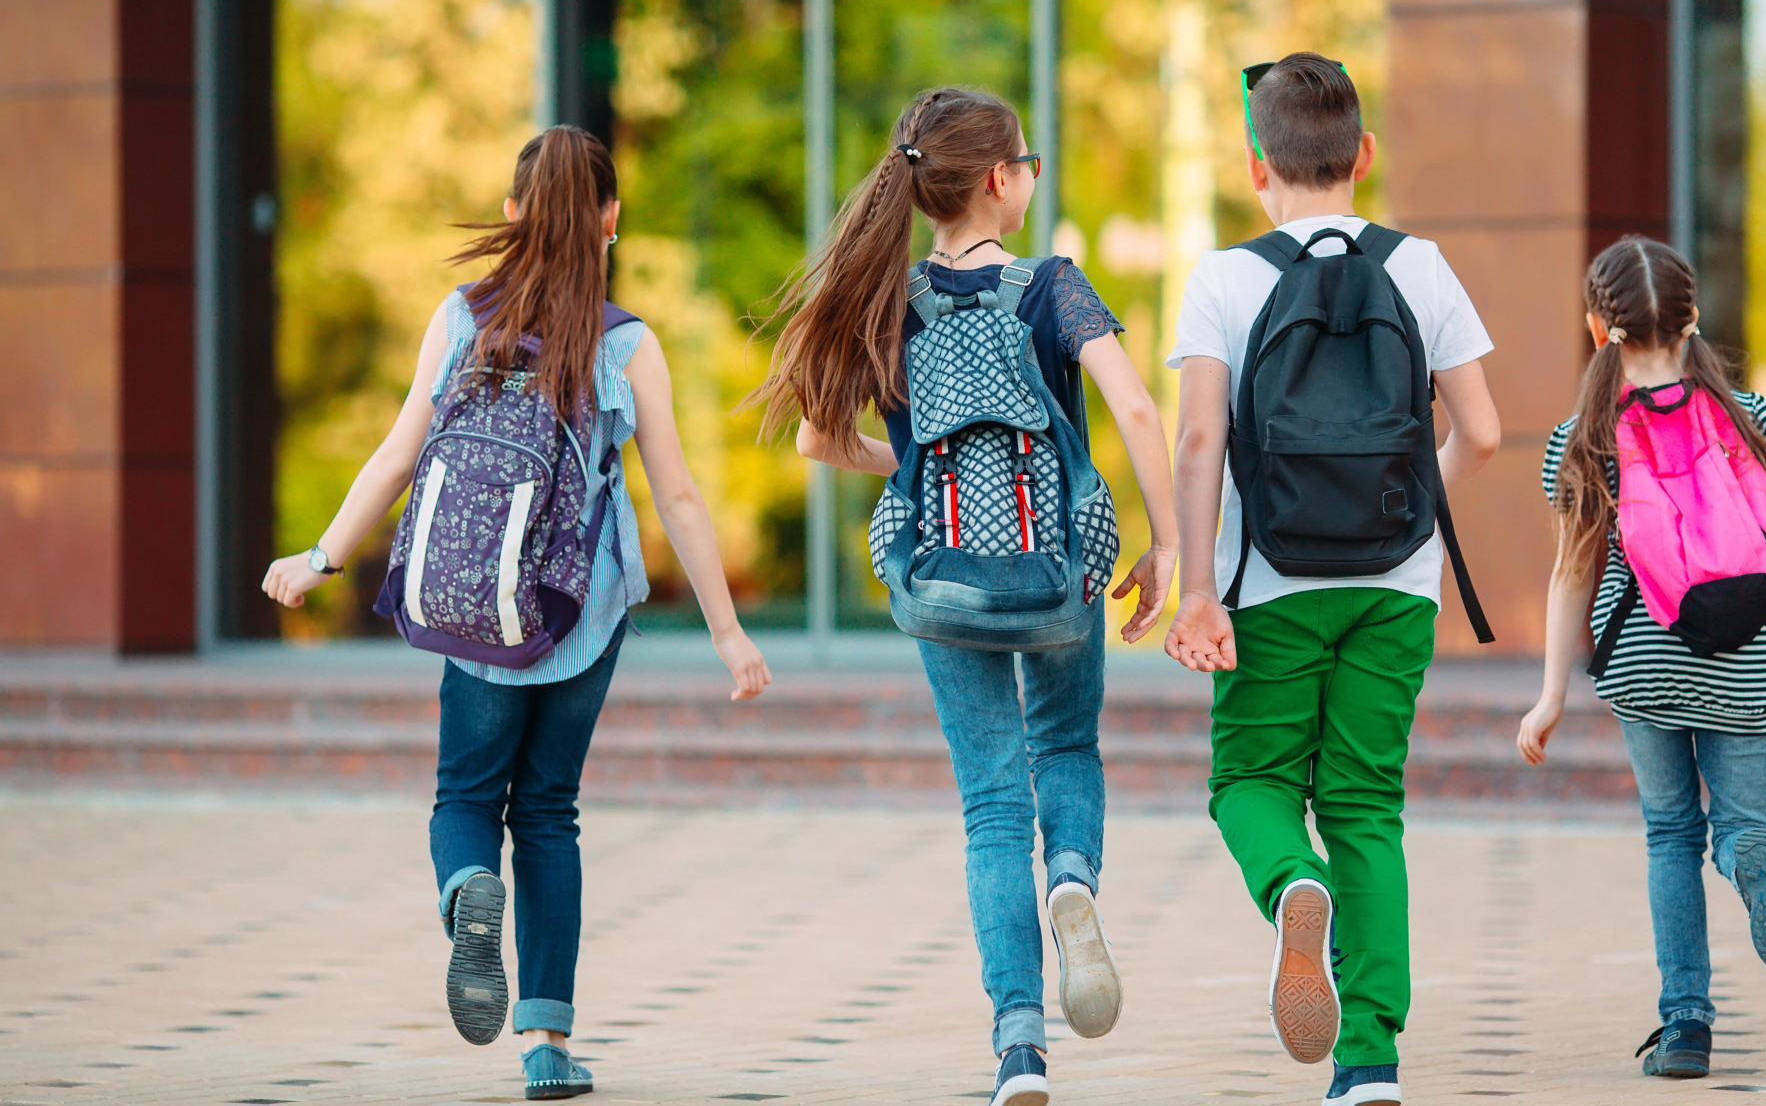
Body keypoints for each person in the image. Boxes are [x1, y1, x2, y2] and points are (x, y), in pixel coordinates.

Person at [262, 125, 771, 1101]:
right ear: (612, 221)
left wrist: (321, 554)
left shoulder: (461, 316)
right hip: (578, 616)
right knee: (548, 812)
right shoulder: (629, 343)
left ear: (509, 217)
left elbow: (398, 453)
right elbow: (680, 499)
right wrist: (726, 629)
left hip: (473, 609)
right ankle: (545, 1044)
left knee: (465, 799)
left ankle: (466, 893)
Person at [749, 86, 1178, 1106]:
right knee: (1065, 746)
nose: (1029, 177)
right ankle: (1071, 874)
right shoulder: (1051, 286)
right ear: (998, 179)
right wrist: (1166, 547)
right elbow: (1136, 405)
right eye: (1025, 163)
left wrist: (903, 466)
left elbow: (815, 438)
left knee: (991, 806)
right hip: (1057, 571)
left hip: (942, 578)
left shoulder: (884, 297)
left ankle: (1018, 1046)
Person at [1163, 53, 1501, 1106]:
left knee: (1250, 783)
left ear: (1254, 163)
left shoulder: (1225, 276)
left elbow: (1196, 442)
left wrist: (1198, 589)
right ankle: (1370, 1061)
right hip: (1397, 585)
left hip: (1267, 577)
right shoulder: (1424, 265)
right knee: (1365, 802)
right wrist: (1410, 513)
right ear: (1364, 156)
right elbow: (1484, 432)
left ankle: (1288, 882)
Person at [1518, 235, 1766, 1081]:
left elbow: (1572, 569)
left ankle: (1686, 1029)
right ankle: (1749, 856)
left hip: (1643, 664)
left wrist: (1552, 692)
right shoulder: (1752, 418)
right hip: (1749, 664)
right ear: (1694, 317)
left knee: (1670, 835)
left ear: (1597, 326)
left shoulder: (1586, 436)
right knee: (1741, 826)